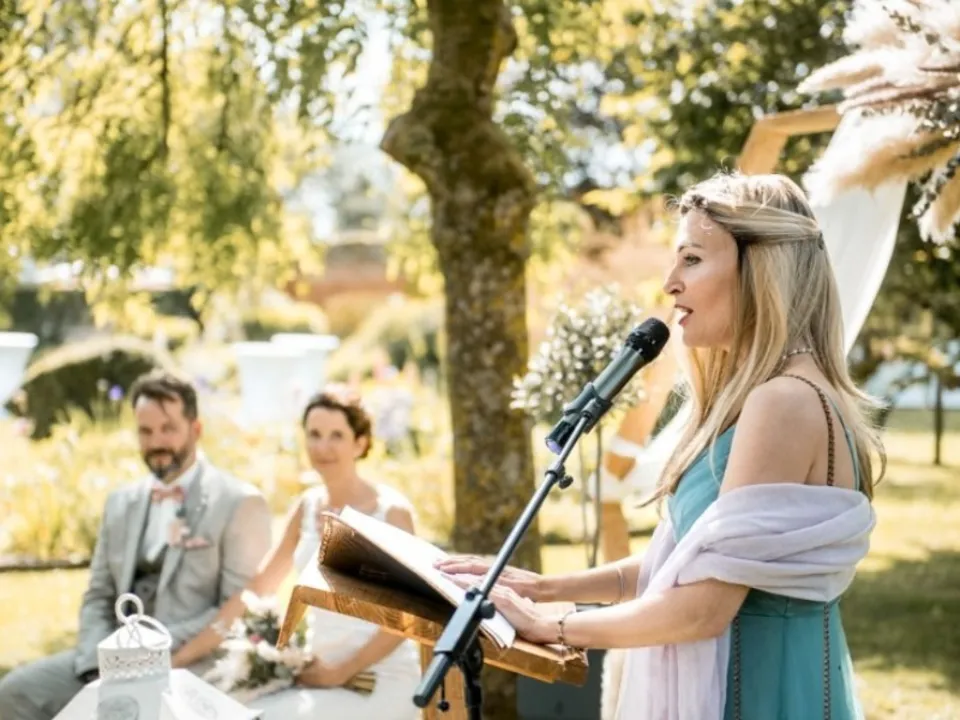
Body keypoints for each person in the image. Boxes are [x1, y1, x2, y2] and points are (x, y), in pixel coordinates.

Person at [437, 172, 884, 720]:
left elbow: (701, 609)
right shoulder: (782, 395)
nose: (671, 282)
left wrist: (550, 626)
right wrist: (546, 587)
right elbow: (681, 563)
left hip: (754, 692)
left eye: (692, 259)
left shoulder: (781, 403)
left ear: (762, 268)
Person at [0, 370, 272, 720]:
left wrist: (148, 653)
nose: (156, 442)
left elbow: (235, 609)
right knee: (14, 693)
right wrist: (97, 661)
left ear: (196, 429)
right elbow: (99, 594)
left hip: (191, 664)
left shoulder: (239, 502)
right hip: (109, 658)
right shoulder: (120, 502)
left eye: (168, 429)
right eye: (146, 431)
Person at [172, 385, 421, 719]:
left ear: (360, 443)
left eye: (336, 435)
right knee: (221, 709)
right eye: (314, 434)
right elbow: (256, 591)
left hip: (377, 679)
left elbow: (409, 615)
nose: (323, 447)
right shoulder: (306, 507)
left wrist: (343, 670)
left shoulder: (390, 512)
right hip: (317, 675)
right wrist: (182, 657)